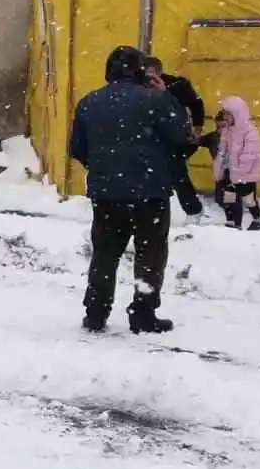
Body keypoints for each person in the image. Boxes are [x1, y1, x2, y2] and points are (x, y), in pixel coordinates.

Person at [69, 45, 193, 334]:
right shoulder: (155, 100)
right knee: (149, 254)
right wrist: (167, 97)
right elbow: (182, 137)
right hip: (150, 192)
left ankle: (96, 313)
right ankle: (143, 313)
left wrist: (105, 167)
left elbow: (78, 149)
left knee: (105, 254)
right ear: (140, 71)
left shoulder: (89, 103)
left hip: (107, 194)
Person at [143, 56, 205, 216]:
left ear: (160, 72)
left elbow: (196, 104)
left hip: (173, 138)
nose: (150, 79)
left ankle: (193, 209)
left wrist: (197, 130)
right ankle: (151, 212)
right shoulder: (138, 88)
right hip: (147, 138)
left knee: (177, 173)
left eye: (152, 74)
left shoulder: (177, 86)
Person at [212, 96, 260, 231]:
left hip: (246, 173)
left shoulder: (250, 131)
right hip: (229, 170)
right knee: (227, 197)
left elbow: (250, 154)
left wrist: (240, 172)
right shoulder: (227, 130)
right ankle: (232, 223)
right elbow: (222, 149)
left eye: (228, 115)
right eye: (225, 115)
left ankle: (257, 219)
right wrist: (220, 165)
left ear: (237, 115)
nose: (226, 119)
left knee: (248, 200)